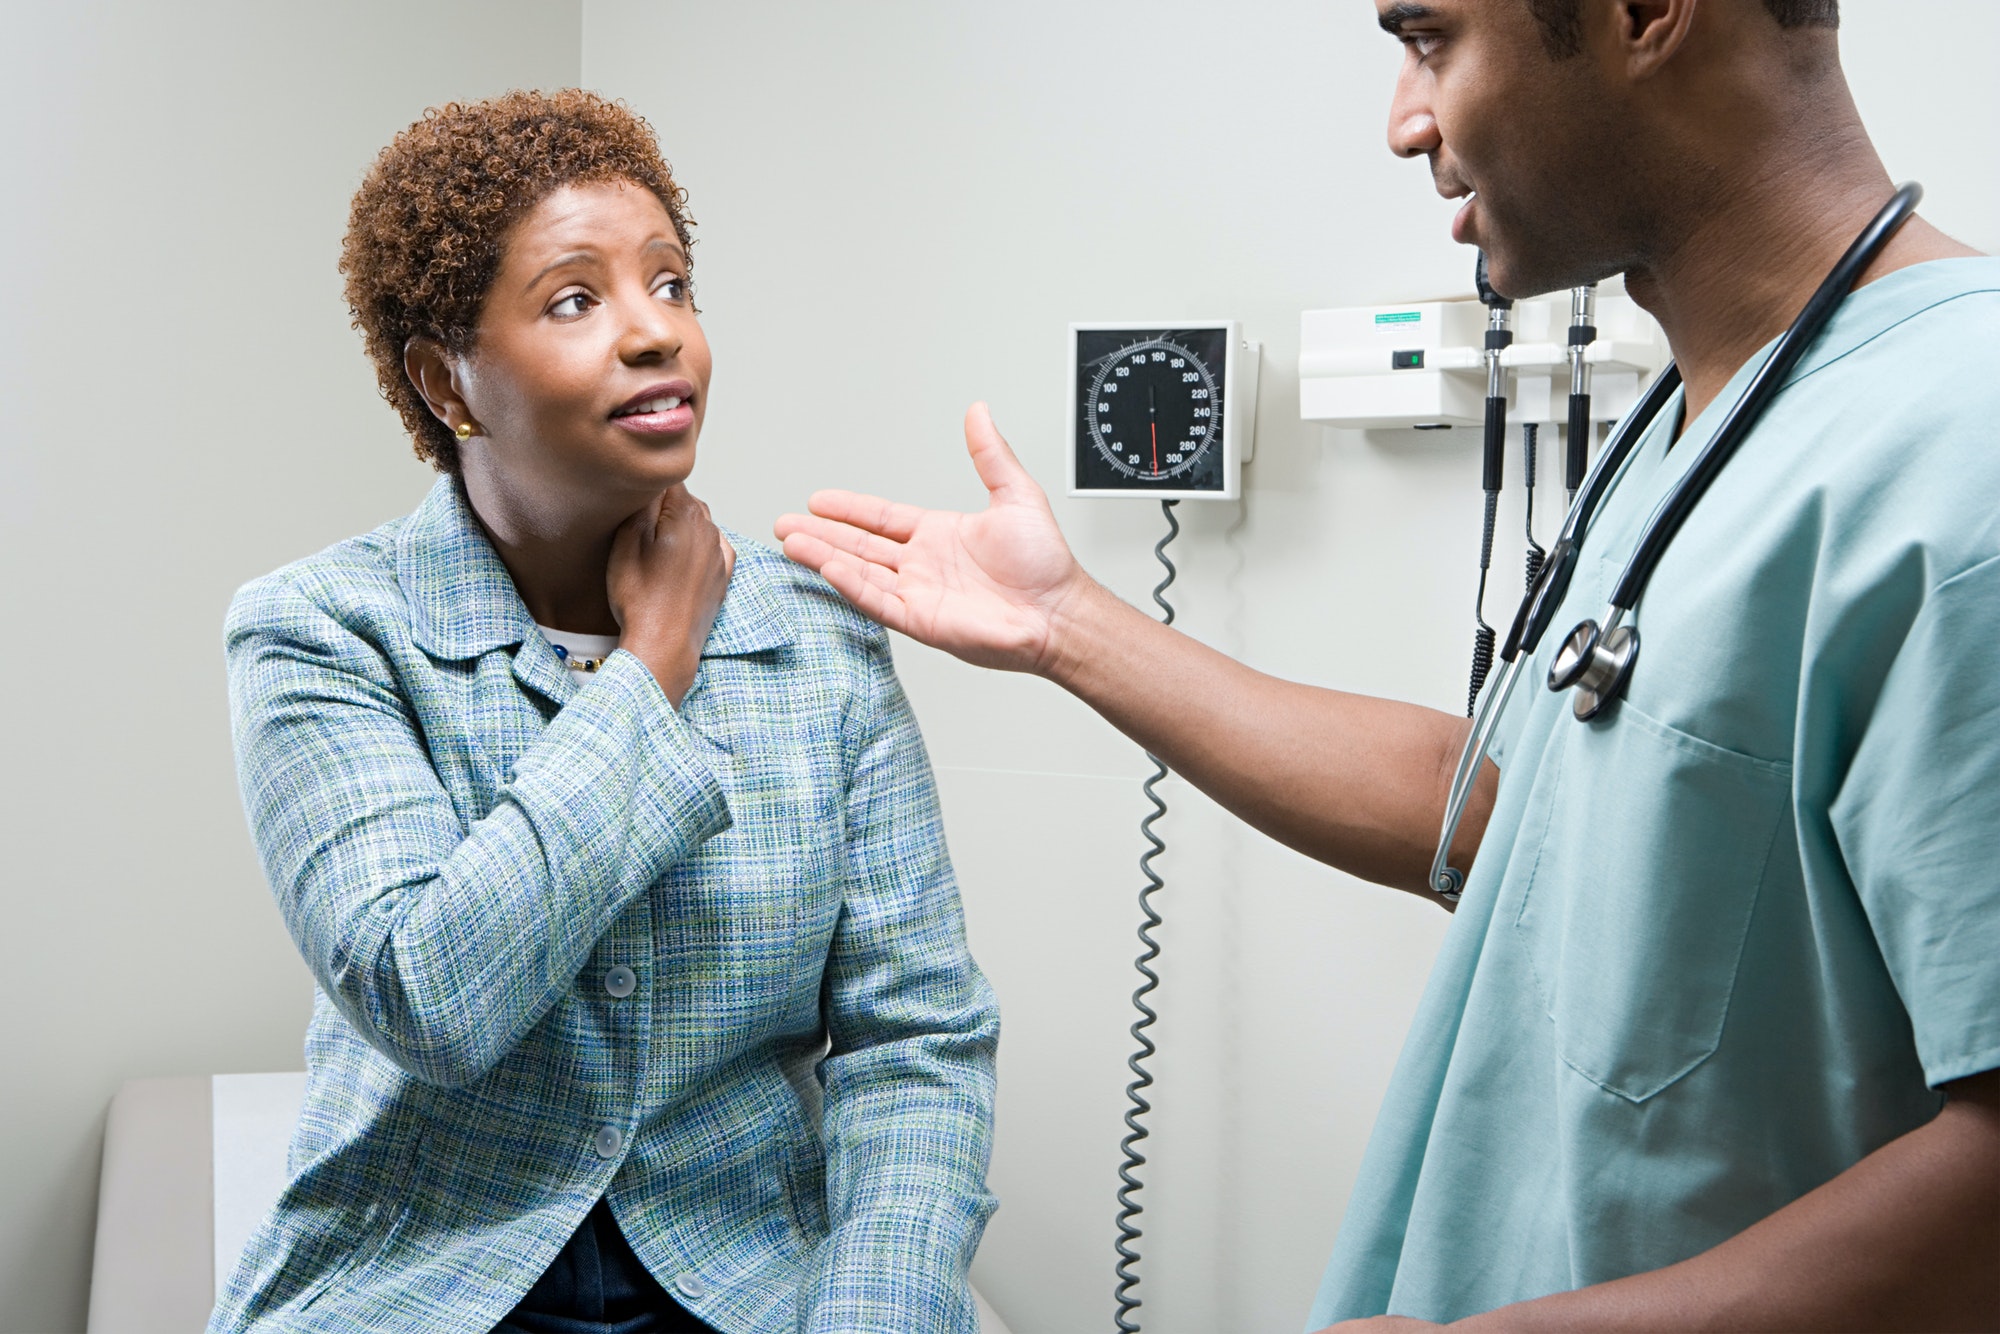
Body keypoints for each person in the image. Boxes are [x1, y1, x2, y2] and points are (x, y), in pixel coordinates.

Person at [776, 1, 2000, 1328]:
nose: (1406, 120)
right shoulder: (1705, 410)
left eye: (1431, 40)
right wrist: (1068, 622)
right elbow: (1503, 817)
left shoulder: (1959, 456)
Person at [219, 90, 997, 1334]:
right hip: (419, 1287)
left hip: (750, 1286)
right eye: (575, 299)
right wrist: (654, 664)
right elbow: (432, 995)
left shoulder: (821, 636)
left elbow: (917, 1041)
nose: (656, 335)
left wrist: (874, 1313)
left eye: (672, 283)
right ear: (445, 379)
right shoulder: (322, 628)